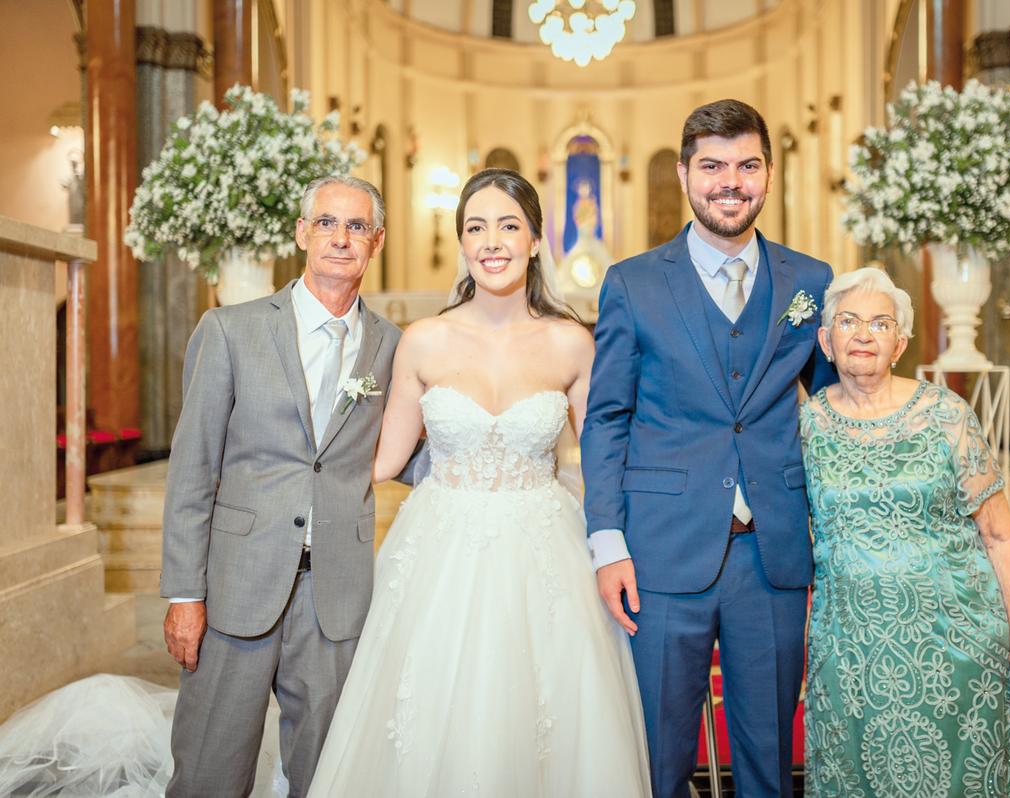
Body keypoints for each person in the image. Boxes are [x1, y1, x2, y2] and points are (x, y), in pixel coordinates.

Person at [307, 168, 651, 796]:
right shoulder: (423, 341)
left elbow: (606, 454)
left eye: (509, 226)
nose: (493, 242)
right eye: (476, 227)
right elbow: (382, 461)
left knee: (548, 711)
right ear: (463, 243)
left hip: (544, 547)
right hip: (440, 546)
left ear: (536, 240)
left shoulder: (572, 344)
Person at [582, 99, 837, 798]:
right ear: (684, 173)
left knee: (768, 759)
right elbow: (607, 417)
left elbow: (841, 407)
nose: (732, 181)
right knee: (658, 756)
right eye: (714, 166)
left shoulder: (810, 282)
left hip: (775, 556)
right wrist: (607, 541)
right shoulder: (632, 283)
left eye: (747, 165)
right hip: (660, 555)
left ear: (769, 173)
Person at [160, 175, 401, 797]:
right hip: (236, 584)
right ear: (301, 233)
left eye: (355, 227)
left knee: (327, 773)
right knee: (210, 768)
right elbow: (192, 471)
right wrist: (184, 593)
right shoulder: (229, 330)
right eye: (326, 222)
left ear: (376, 242)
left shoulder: (394, 349)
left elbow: (416, 450)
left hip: (337, 594)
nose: (339, 239)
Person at [799, 267, 1010, 796]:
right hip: (852, 654)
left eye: (880, 323)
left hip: (959, 647)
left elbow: (1000, 535)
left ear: (899, 343)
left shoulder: (945, 414)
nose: (863, 333)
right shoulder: (805, 427)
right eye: (848, 321)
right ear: (825, 340)